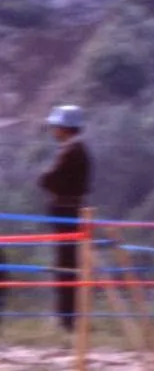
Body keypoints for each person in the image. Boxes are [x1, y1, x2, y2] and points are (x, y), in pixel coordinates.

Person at [38, 104, 93, 333]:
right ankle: (68, 316)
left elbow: (49, 179)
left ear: (64, 127)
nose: (53, 130)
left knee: (66, 263)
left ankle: (66, 318)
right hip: (71, 211)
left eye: (56, 126)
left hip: (66, 212)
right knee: (69, 262)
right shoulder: (77, 149)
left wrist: (44, 178)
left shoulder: (71, 151)